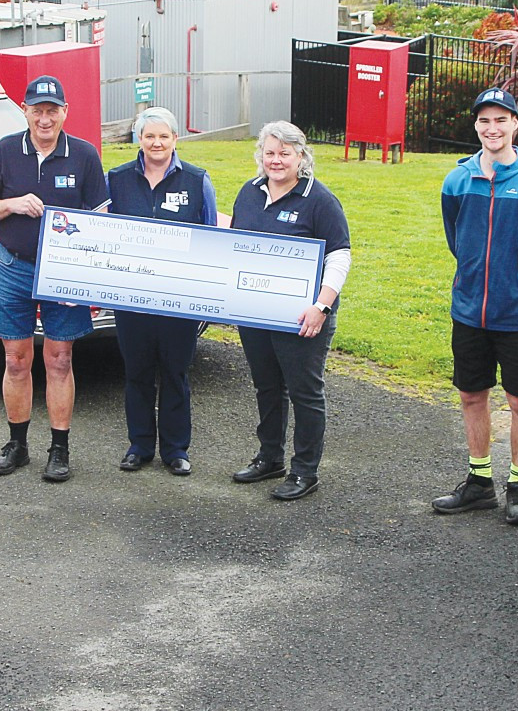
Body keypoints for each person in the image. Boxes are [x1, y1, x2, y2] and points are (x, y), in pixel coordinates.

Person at [430, 88, 518, 525]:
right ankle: (479, 482)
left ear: (515, 124)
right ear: (476, 126)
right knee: (472, 394)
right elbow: (457, 238)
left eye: (501, 120)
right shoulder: (457, 180)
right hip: (469, 311)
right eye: (485, 121)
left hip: (517, 315)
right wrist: (474, 279)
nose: (493, 129)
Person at [0, 75, 109, 482]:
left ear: (65, 112)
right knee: (15, 359)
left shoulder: (84, 155)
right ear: (25, 111)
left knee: (60, 358)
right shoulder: (5, 151)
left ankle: (60, 448)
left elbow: (100, 218)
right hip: (13, 266)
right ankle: (17, 445)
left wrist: (80, 276)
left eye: (52, 110)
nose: (45, 118)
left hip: (62, 273)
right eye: (37, 110)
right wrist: (12, 204)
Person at [228, 121, 351, 503]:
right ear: (260, 156)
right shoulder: (248, 193)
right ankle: (270, 458)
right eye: (270, 152)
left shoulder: (320, 200)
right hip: (256, 312)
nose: (276, 160)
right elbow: (235, 246)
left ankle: (305, 471)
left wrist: (321, 306)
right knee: (266, 386)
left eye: (285, 153)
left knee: (304, 392)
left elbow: (339, 256)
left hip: (304, 316)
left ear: (302, 157)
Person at [106, 107, 218, 477]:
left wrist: (205, 294)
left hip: (179, 299)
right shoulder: (117, 180)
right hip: (131, 297)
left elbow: (211, 239)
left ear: (175, 140)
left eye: (164, 136)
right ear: (138, 139)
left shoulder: (198, 181)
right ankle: (139, 446)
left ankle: (175, 450)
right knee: (136, 372)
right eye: (149, 136)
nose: (156, 143)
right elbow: (101, 233)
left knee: (175, 373)